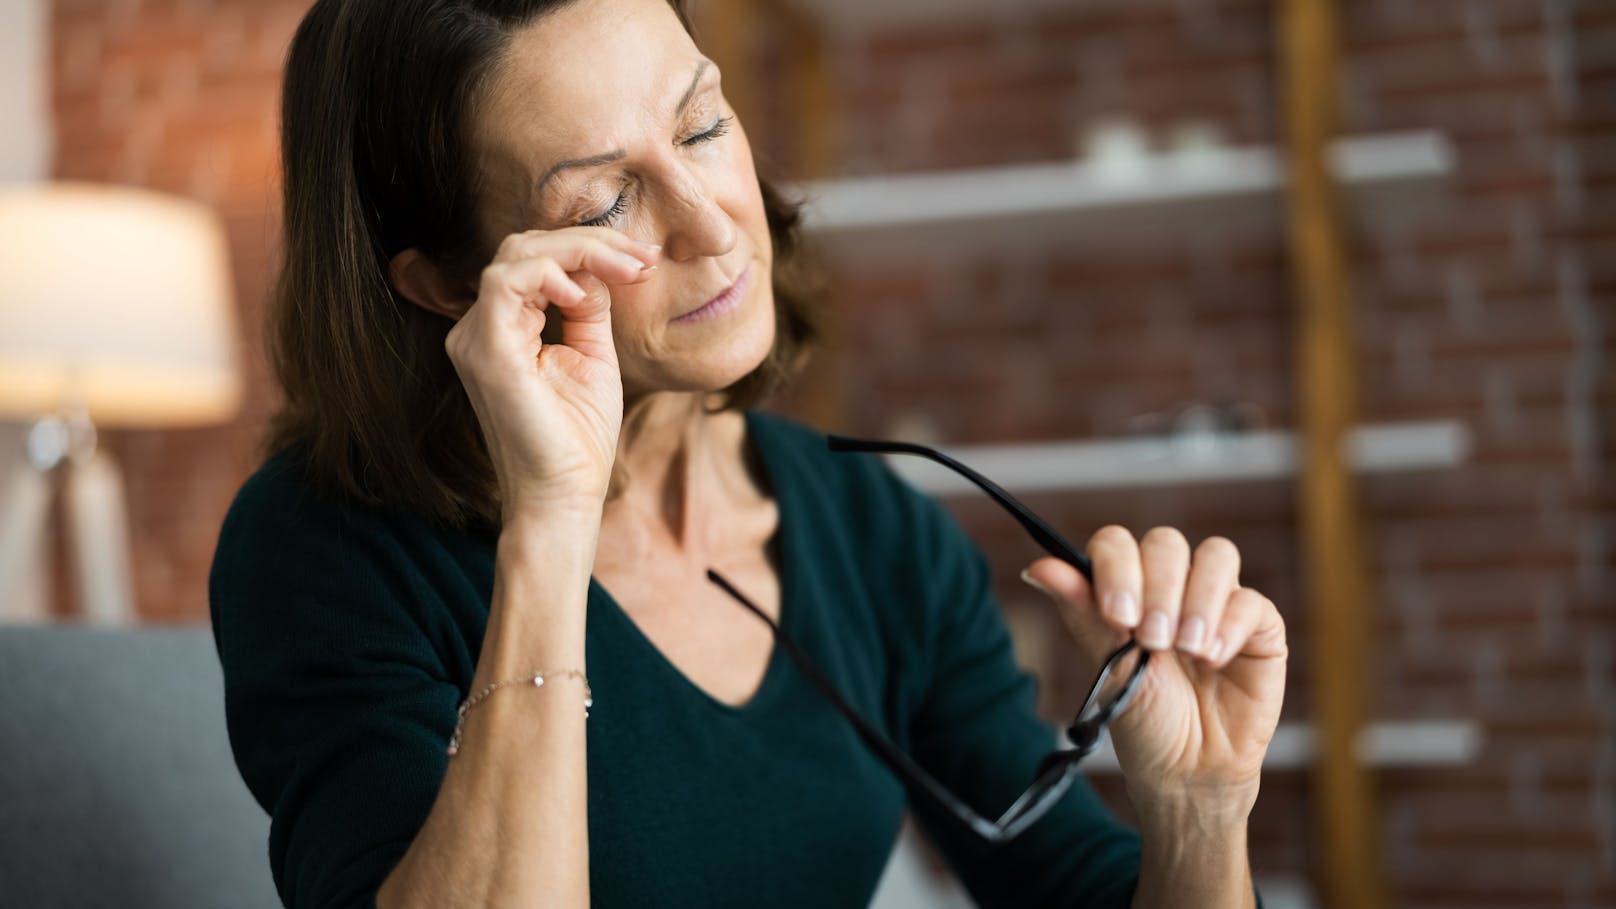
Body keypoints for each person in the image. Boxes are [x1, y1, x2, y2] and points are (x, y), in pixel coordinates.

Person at [208, 0, 1288, 906]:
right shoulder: (323, 547)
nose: (712, 225)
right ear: (449, 285)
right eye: (605, 200)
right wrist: (548, 528)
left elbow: (1067, 883)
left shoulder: (872, 527)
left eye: (700, 125)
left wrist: (1198, 811)